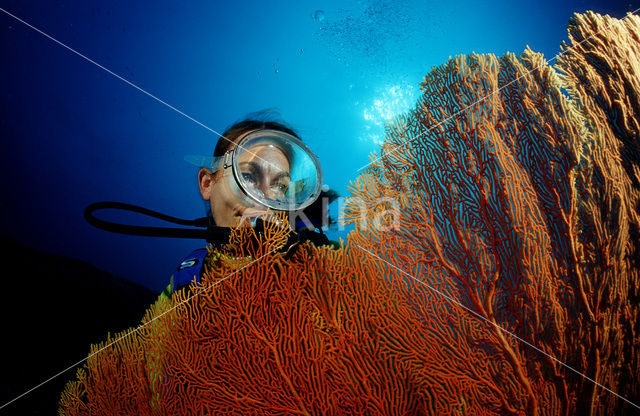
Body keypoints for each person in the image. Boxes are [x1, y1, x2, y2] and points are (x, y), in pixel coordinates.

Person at [162, 118, 338, 298]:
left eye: (280, 186)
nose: (264, 199)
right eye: (247, 176)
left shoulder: (324, 258)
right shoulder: (187, 282)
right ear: (207, 184)